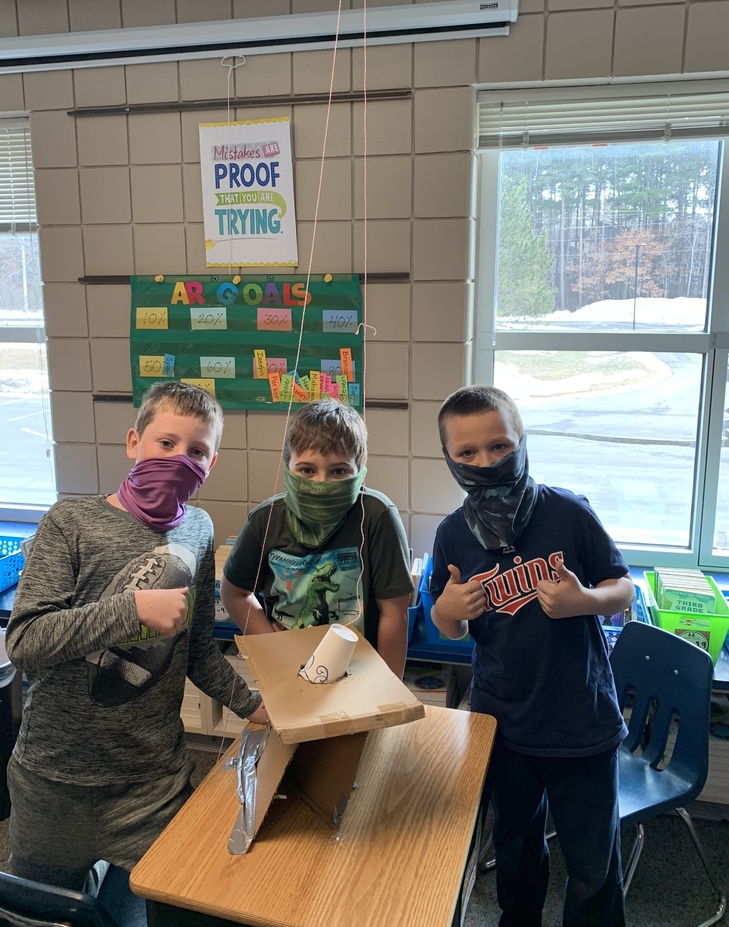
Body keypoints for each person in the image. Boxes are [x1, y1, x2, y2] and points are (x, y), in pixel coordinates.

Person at [5, 380, 266, 894]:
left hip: (153, 781)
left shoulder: (198, 529)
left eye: (196, 451)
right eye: (165, 443)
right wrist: (129, 611)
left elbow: (194, 650)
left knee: (163, 906)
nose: (178, 459)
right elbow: (25, 641)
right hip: (55, 781)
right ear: (133, 442)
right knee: (40, 910)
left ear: (211, 465)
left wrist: (251, 705)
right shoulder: (72, 522)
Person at [429, 385, 635, 927]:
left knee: (593, 868)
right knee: (516, 855)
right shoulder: (454, 534)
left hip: (581, 724)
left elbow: (623, 590)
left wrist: (584, 601)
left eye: (499, 447)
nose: (486, 462)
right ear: (449, 458)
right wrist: (449, 609)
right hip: (503, 727)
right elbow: (447, 628)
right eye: (468, 453)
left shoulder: (568, 513)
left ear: (522, 442)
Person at [220, 399, 414, 677]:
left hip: (361, 674)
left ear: (359, 471)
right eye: (307, 470)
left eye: (338, 471)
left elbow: (395, 612)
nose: (320, 484)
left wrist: (388, 689)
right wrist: (271, 644)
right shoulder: (265, 520)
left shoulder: (376, 515)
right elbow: (234, 592)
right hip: (288, 671)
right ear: (288, 467)